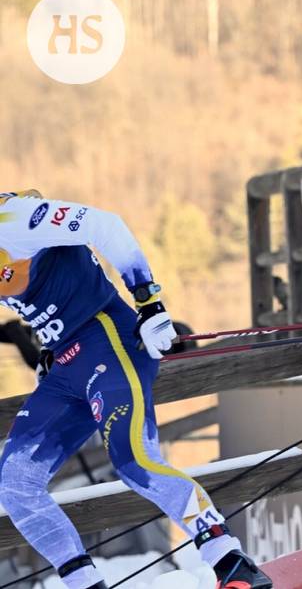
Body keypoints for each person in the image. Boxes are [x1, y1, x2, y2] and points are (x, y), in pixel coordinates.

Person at [0, 191, 271, 589]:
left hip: (109, 340)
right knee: (15, 481)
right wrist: (44, 347)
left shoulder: (16, 216)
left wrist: (150, 304)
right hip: (66, 366)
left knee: (134, 461)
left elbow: (105, 226)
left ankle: (229, 561)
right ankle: (85, 583)